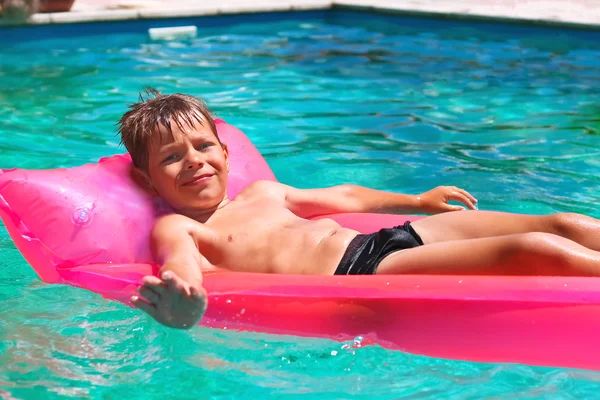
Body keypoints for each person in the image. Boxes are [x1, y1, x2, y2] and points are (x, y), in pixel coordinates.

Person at [118, 89, 600, 329]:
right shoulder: (179, 225)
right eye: (171, 157)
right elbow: (180, 261)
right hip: (360, 270)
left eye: (203, 146)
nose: (194, 162)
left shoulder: (263, 192)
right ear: (147, 178)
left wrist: (417, 202)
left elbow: (345, 198)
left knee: (561, 224)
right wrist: (182, 299)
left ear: (225, 153)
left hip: (386, 239)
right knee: (536, 250)